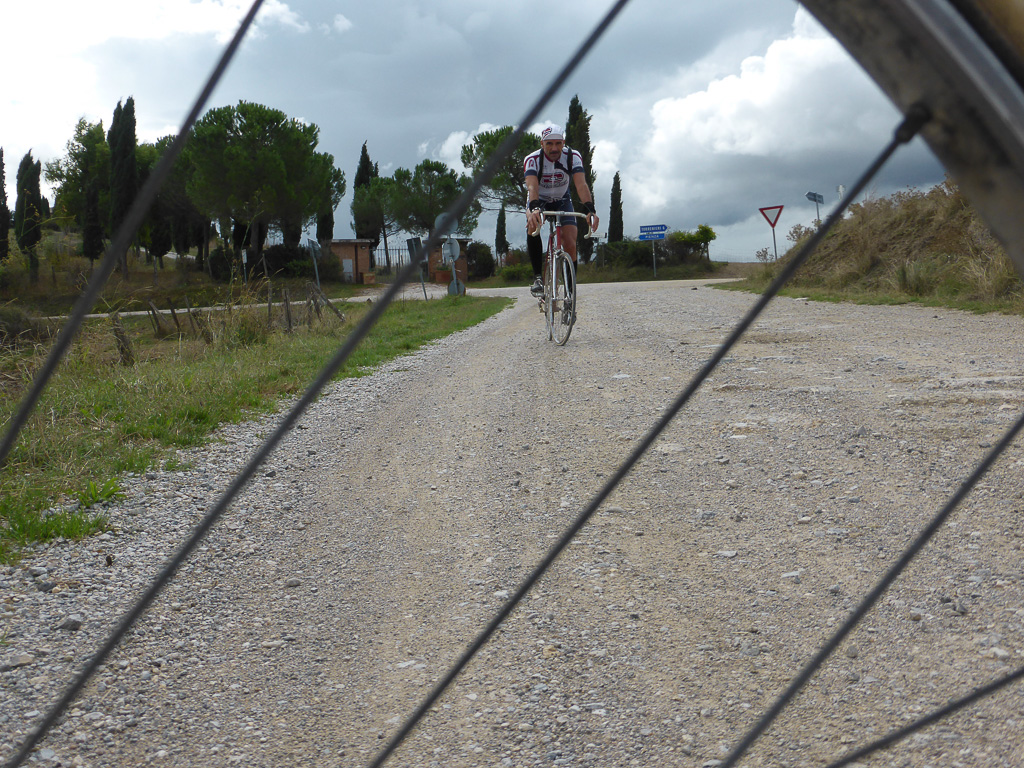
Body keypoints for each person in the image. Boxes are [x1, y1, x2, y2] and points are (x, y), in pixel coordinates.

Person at [524, 125, 599, 297]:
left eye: (558, 143)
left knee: (570, 242)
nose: (554, 148)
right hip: (539, 199)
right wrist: (534, 209)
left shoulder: (572, 156)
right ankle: (538, 278)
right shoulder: (532, 159)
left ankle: (570, 293)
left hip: (562, 199)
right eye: (549, 144)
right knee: (533, 225)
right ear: (542, 144)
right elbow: (532, 186)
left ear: (563, 142)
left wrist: (590, 209)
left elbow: (581, 184)